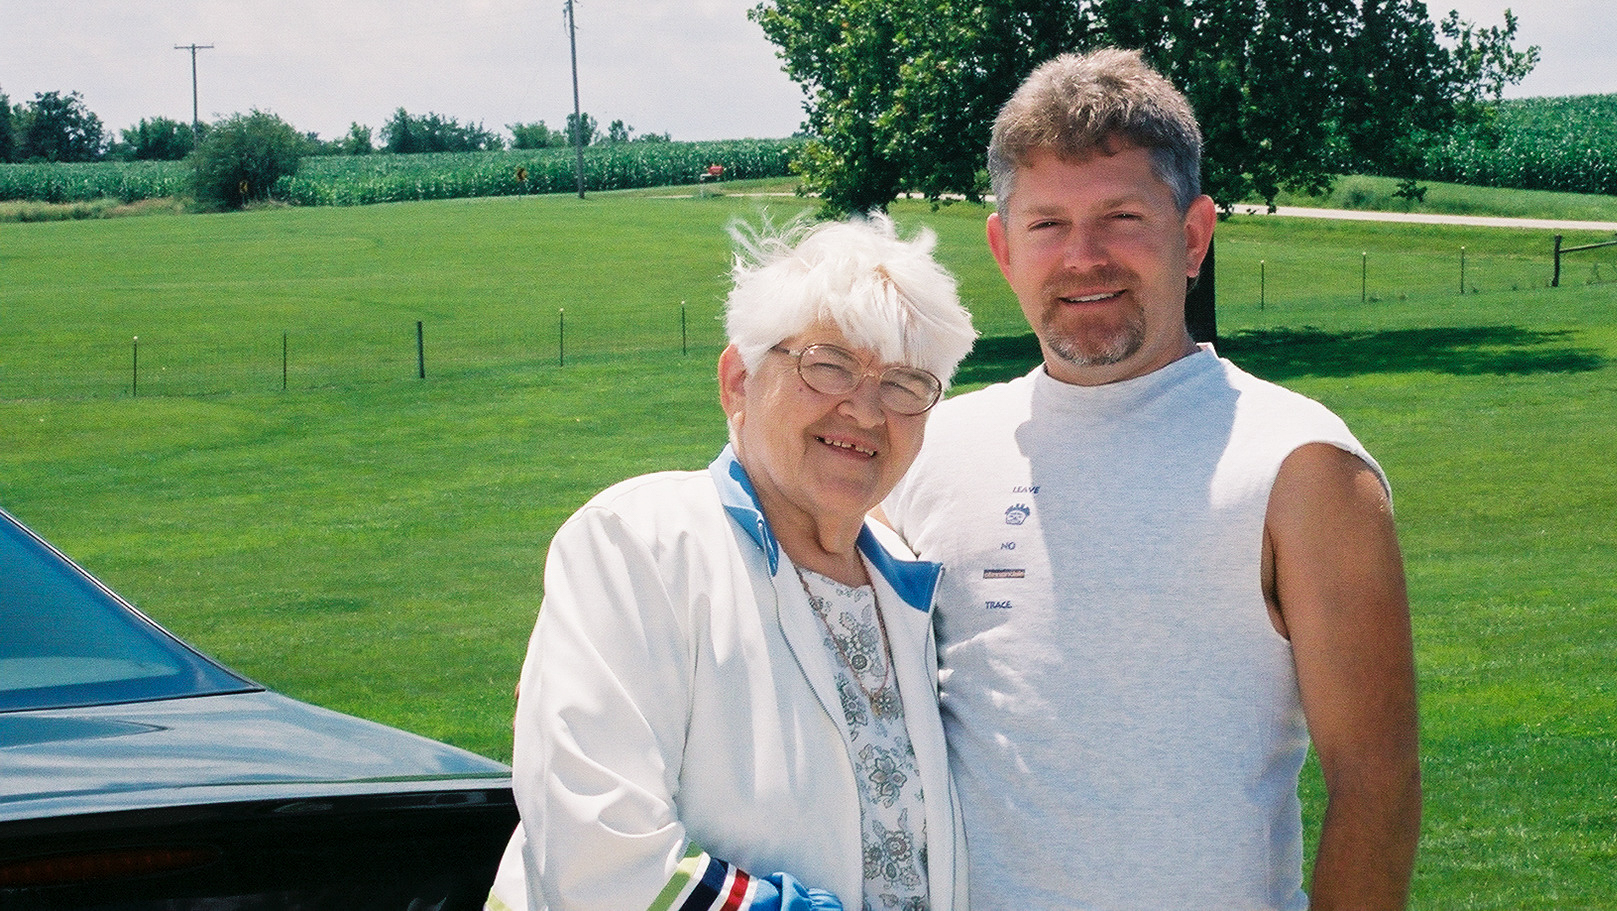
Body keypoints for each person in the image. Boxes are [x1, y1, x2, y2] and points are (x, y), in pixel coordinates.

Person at [882, 49, 1422, 911]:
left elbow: (1376, 786)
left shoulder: (1302, 465)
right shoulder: (925, 451)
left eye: (1122, 217)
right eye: (1047, 224)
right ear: (1002, 247)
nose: (1083, 257)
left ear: (1195, 234)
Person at [488, 215, 977, 911]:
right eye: (829, 363)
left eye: (904, 383)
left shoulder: (903, 577)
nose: (866, 411)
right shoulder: (637, 543)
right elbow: (599, 856)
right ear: (738, 381)